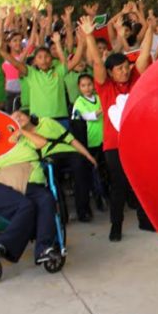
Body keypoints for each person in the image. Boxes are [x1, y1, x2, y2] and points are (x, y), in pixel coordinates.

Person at [80, 15, 155, 242]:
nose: (124, 71)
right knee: (119, 185)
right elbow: (95, 63)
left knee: (141, 182)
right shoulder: (104, 86)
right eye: (119, 69)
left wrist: (150, 26)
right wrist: (89, 35)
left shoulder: (134, 77)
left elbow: (144, 53)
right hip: (114, 145)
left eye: (125, 67)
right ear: (110, 72)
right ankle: (116, 226)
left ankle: (145, 220)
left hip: (137, 141)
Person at [0, 118, 59, 266]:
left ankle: (43, 249)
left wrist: (21, 132)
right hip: (1, 189)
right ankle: (3, 246)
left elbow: (42, 143)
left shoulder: (17, 138)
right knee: (27, 205)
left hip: (32, 183)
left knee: (46, 199)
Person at [12, 109, 98, 222]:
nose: (19, 119)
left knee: (80, 165)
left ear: (27, 115)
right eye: (15, 119)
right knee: (51, 174)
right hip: (49, 157)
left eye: (20, 115)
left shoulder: (46, 122)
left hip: (68, 151)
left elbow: (71, 140)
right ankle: (62, 213)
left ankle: (83, 211)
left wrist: (88, 155)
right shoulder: (21, 139)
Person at [73, 73, 107, 211]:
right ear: (79, 87)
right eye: (83, 85)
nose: (87, 88)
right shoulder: (79, 102)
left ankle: (106, 192)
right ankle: (98, 195)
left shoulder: (99, 98)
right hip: (90, 140)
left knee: (105, 169)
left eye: (89, 84)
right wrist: (101, 110)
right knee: (94, 170)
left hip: (104, 138)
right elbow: (87, 116)